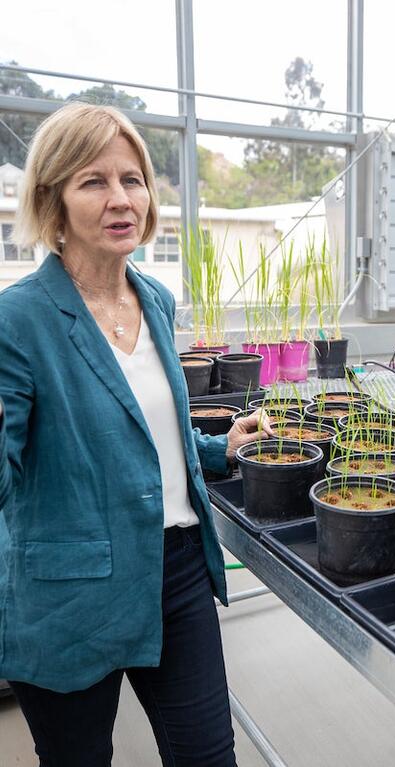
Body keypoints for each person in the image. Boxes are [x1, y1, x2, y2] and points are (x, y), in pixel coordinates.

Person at [0, 102, 274, 766]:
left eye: (133, 178)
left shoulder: (154, 298)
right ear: (53, 199)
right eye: (93, 181)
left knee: (209, 755)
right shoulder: (18, 320)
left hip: (176, 570)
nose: (121, 198)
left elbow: (146, 426)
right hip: (69, 590)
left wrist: (219, 448)